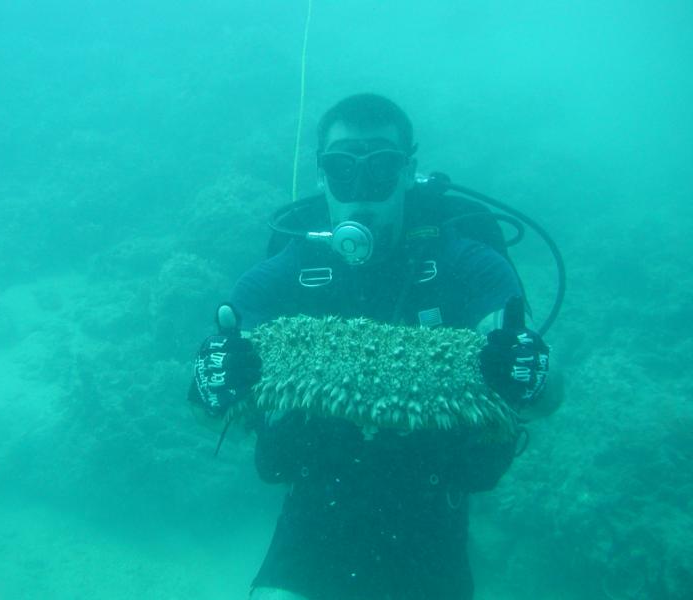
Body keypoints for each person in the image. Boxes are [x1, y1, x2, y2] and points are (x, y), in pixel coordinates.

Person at [189, 93, 560, 600]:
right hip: (313, 511)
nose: (361, 188)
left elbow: (542, 394)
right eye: (343, 169)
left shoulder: (467, 264)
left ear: (408, 171)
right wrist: (212, 386)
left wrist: (529, 372)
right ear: (322, 176)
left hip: (433, 516)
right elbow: (213, 414)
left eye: (381, 167)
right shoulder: (283, 273)